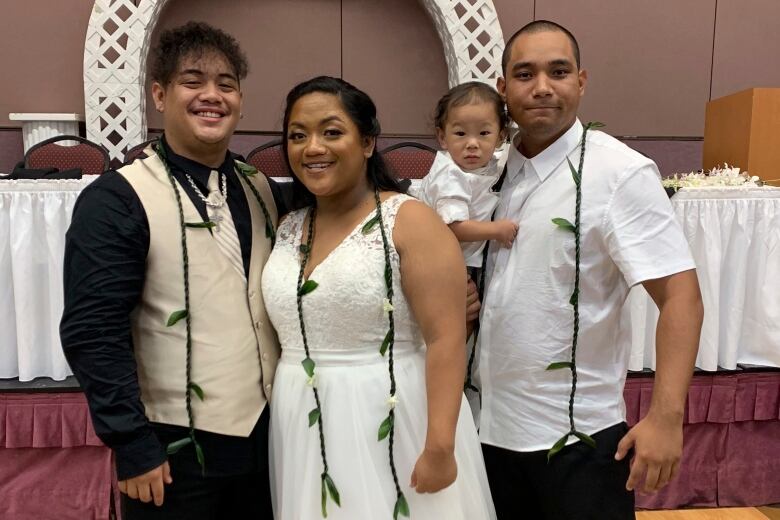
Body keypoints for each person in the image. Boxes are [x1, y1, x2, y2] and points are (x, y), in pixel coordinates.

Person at [477, 20, 704, 519]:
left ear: (581, 81)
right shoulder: (488, 174)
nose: (541, 87)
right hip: (485, 434)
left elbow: (680, 296)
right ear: (502, 88)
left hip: (577, 440)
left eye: (557, 71)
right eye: (524, 73)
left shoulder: (619, 173)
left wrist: (667, 417)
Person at [60, 22, 284, 519]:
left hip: (268, 443)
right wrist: (132, 443)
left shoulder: (263, 190)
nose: (212, 96)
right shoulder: (116, 199)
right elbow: (93, 330)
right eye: (193, 81)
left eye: (226, 84)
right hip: (171, 454)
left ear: (241, 100)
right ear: (159, 95)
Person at [261, 76, 496, 519]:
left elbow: (446, 339)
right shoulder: (289, 224)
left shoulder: (410, 221)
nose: (313, 147)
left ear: (367, 142)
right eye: (298, 135)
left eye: (332, 132)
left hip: (390, 416)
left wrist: (441, 445)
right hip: (300, 418)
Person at [413, 81, 518, 262]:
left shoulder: (489, 165)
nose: (472, 144)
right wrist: (497, 230)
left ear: (500, 137)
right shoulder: (450, 175)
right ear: (442, 137)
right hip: (437, 260)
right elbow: (454, 226)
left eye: (483, 133)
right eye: (461, 134)